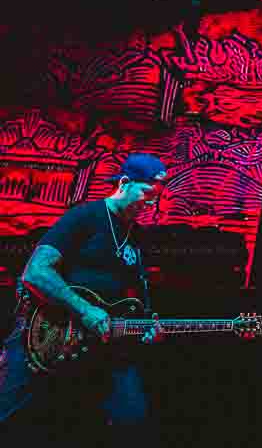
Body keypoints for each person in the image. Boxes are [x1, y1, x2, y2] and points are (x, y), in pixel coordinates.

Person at [0, 153, 168, 440]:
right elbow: (36, 272)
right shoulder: (85, 217)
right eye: (147, 194)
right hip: (46, 335)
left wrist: (147, 328)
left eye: (156, 198)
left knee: (131, 421)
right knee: (10, 418)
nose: (151, 204)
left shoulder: (137, 237)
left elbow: (132, 303)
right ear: (125, 183)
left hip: (99, 344)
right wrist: (85, 309)